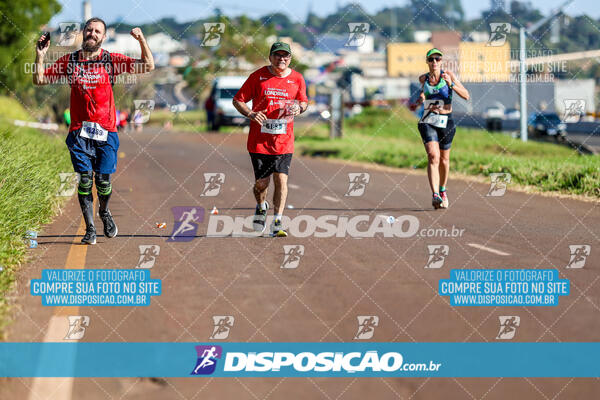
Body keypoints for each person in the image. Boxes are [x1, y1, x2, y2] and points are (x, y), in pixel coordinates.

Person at [34, 17, 154, 244]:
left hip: (106, 132)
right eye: (89, 30)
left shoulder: (111, 61)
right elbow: (39, 79)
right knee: (85, 180)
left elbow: (148, 66)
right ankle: (90, 229)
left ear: (103, 37)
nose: (92, 34)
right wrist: (40, 55)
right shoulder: (69, 61)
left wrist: (141, 40)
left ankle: (104, 212)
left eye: (97, 31)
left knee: (104, 182)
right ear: (83, 33)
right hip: (79, 133)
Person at [232, 42, 308, 237]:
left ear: (290, 58)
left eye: (286, 56)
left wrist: (300, 108)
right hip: (260, 141)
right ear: (270, 57)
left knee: (281, 179)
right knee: (261, 184)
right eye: (277, 55)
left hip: (284, 140)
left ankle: (277, 221)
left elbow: (304, 101)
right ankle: (260, 205)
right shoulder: (257, 77)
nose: (281, 59)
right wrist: (250, 113)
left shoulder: (297, 78)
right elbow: (238, 100)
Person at [409, 48, 470, 209]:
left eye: (437, 59)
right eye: (431, 59)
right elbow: (424, 94)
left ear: (441, 61)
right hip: (428, 120)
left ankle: (443, 190)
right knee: (433, 156)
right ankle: (435, 194)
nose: (434, 62)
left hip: (446, 121)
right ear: (427, 62)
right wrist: (420, 99)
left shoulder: (448, 75)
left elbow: (466, 95)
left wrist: (452, 86)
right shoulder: (424, 79)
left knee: (444, 159)